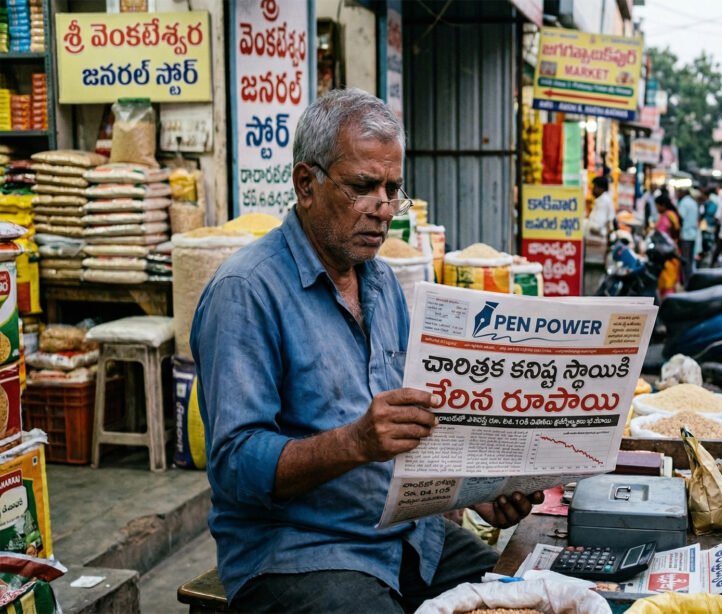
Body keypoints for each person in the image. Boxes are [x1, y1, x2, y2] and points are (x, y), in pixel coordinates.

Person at [191, 89, 543, 612]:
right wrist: (354, 442)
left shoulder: (381, 285)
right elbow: (235, 466)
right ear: (306, 185)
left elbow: (417, 431)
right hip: (302, 553)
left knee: (532, 595)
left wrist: (480, 491)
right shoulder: (247, 290)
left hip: (405, 537)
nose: (382, 208)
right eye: (363, 187)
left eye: (392, 189)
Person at [655, 193, 683, 296]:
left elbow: (666, 232)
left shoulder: (668, 216)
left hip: (668, 252)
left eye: (657, 206)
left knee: (668, 280)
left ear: (663, 205)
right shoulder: (668, 215)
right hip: (668, 250)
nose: (657, 208)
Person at [676, 187, 700, 279]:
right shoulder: (693, 202)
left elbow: (681, 218)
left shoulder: (684, 203)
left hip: (685, 235)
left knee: (685, 260)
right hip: (693, 234)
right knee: (690, 260)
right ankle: (690, 279)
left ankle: (687, 281)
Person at [586, 175, 615, 242]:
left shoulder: (603, 201)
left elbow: (596, 226)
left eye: (594, 187)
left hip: (598, 241)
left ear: (601, 189)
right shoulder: (603, 199)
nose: (592, 190)